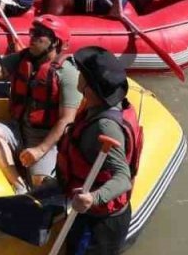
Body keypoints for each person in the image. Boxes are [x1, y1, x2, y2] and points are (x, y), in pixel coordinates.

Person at [0, 14, 80, 193]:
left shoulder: (67, 73)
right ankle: (19, 184)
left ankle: (34, 180)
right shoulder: (22, 59)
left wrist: (39, 150)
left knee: (42, 184)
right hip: (18, 128)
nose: (32, 37)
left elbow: (66, 120)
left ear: (55, 42)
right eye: (32, 32)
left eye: (39, 34)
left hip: (45, 138)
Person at [56, 47, 143, 255]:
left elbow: (123, 176)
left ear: (89, 88)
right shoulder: (102, 105)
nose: (77, 75)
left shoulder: (105, 126)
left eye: (82, 74)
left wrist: (93, 199)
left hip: (99, 222)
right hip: (93, 212)